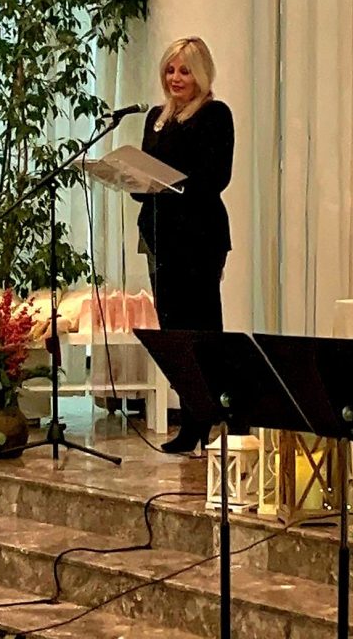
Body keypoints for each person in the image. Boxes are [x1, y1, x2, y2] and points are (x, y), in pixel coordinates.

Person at [134, 36, 234, 454]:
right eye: (171, 70)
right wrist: (133, 178)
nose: (175, 78)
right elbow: (143, 182)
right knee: (172, 330)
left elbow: (215, 177)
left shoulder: (214, 115)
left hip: (199, 236)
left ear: (201, 74)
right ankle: (190, 416)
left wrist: (168, 182)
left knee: (200, 327)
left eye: (185, 71)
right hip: (159, 234)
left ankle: (211, 415)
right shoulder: (156, 118)